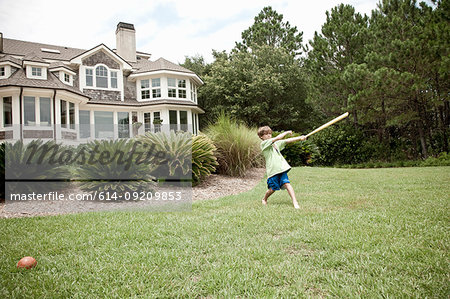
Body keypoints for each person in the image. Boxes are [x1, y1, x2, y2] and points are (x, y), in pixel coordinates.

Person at [257, 126, 306, 209]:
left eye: (269, 133)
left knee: (287, 184)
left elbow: (286, 141)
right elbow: (278, 138)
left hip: (281, 168)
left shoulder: (276, 144)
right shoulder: (264, 144)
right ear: (261, 136)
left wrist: (300, 138)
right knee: (273, 189)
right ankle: (264, 199)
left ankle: (295, 202)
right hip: (273, 171)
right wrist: (286, 132)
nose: (269, 135)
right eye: (266, 134)